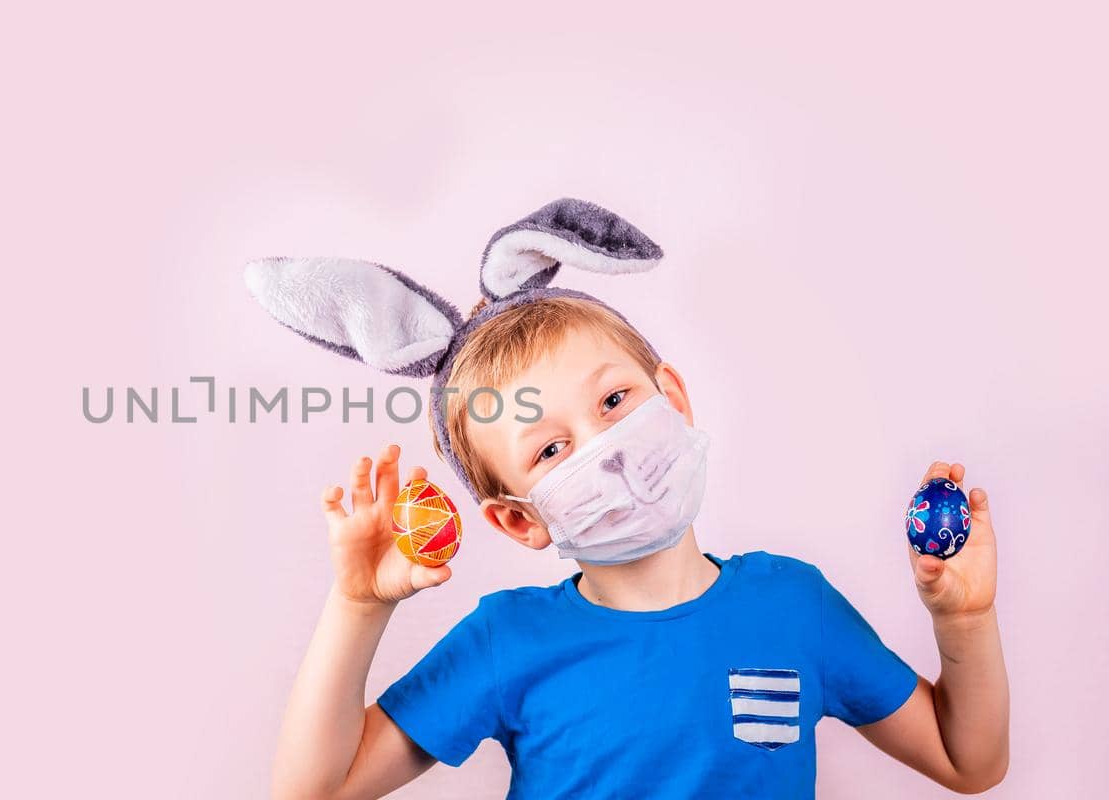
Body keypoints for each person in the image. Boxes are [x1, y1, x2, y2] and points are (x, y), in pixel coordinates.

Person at [246, 198, 1010, 799]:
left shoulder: (794, 605)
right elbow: (315, 790)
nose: (604, 450)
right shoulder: (506, 642)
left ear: (670, 396)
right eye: (550, 448)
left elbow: (966, 761)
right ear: (518, 518)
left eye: (613, 401)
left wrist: (964, 619)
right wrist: (358, 606)